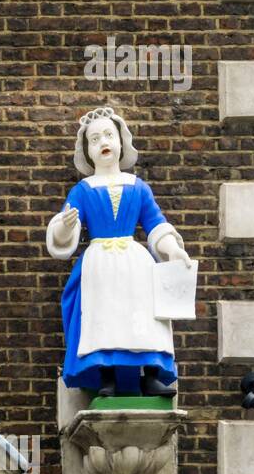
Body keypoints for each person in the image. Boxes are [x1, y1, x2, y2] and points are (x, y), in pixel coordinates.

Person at [46, 107, 191, 397]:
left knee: (145, 315)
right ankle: (107, 376)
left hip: (135, 262)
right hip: (98, 263)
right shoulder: (83, 190)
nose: (103, 142)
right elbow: (66, 230)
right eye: (95, 138)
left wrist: (172, 250)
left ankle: (150, 375)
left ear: (121, 141)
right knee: (104, 315)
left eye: (108, 135)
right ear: (88, 150)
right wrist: (64, 225)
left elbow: (155, 224)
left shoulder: (138, 187)